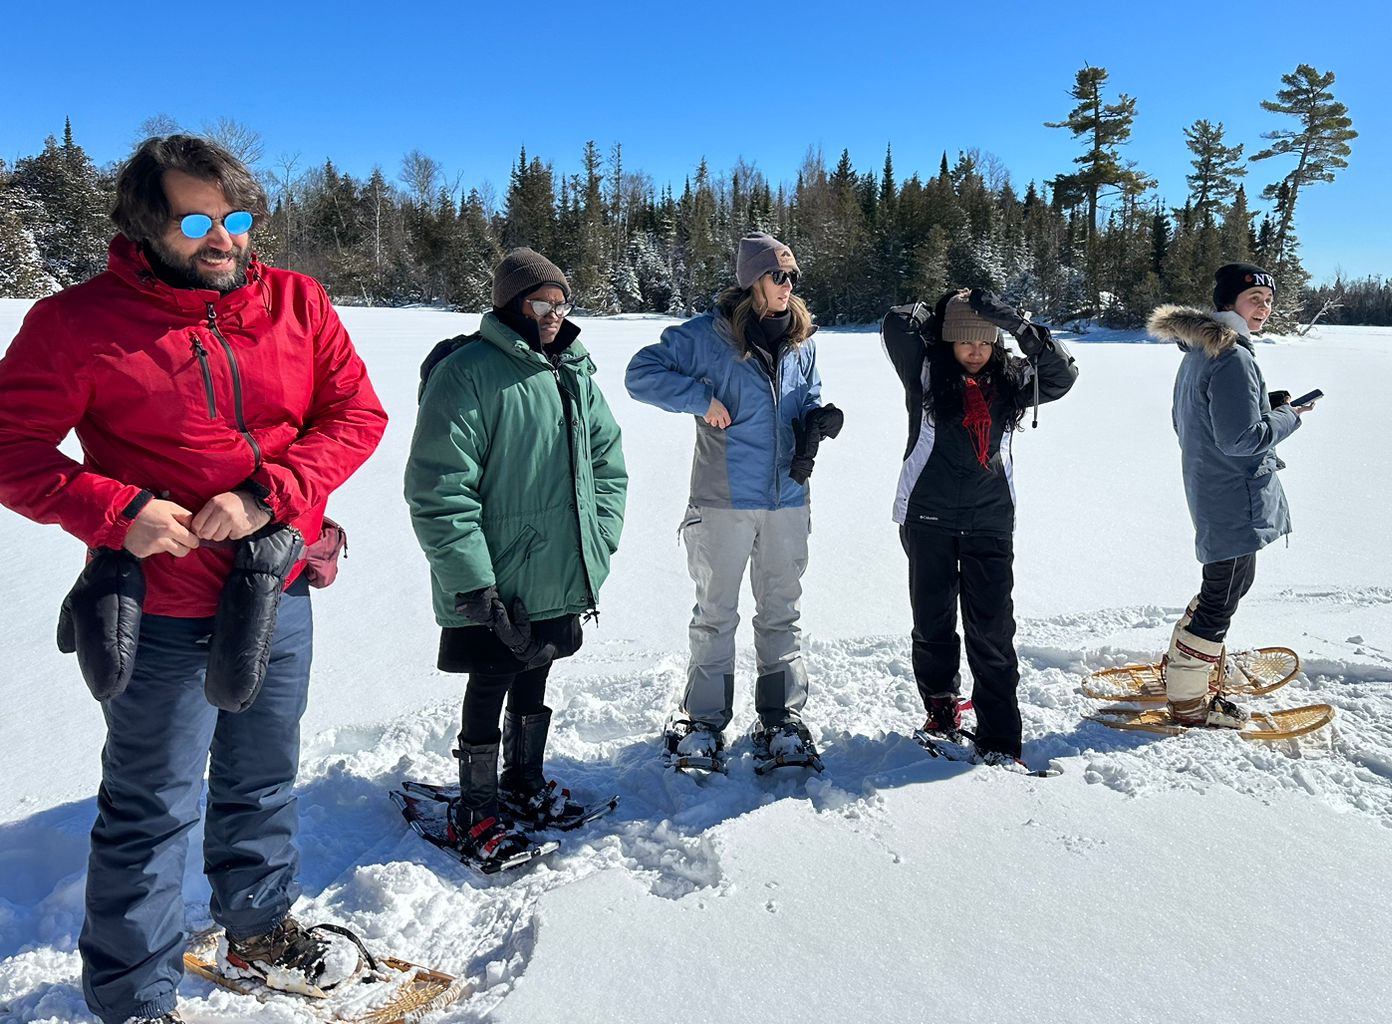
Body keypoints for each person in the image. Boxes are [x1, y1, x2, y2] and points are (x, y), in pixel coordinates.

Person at [0, 134, 388, 1024]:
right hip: (162, 608)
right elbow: (11, 449)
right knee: (151, 806)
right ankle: (134, 997)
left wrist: (269, 495)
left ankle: (255, 929)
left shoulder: (296, 302)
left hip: (272, 583)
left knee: (263, 775)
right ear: (144, 224)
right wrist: (115, 509)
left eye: (237, 218)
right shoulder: (74, 325)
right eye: (197, 220)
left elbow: (356, 414)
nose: (224, 239)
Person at [404, 249, 627, 863]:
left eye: (562, 303)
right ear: (510, 304)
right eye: (540, 303)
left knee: (540, 665)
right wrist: (473, 583)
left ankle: (524, 783)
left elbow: (607, 466)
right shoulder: (470, 371)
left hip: (560, 565)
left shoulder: (575, 369)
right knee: (493, 675)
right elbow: (438, 485)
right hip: (498, 573)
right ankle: (475, 810)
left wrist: (597, 545)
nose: (554, 315)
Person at [625, 233, 840, 767]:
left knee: (780, 613)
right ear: (752, 281)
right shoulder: (706, 337)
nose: (788, 287)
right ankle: (702, 724)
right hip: (721, 501)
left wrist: (817, 423)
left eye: (792, 277)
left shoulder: (802, 343)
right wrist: (700, 398)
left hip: (788, 499)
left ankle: (781, 720)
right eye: (778, 276)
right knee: (716, 614)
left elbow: (806, 397)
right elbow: (640, 374)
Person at [880, 289, 1078, 764]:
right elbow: (895, 320)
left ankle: (1000, 736)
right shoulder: (926, 374)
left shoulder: (1013, 381)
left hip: (990, 520)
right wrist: (946, 308)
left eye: (984, 341)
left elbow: (1064, 374)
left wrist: (1015, 322)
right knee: (932, 623)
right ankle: (942, 708)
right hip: (927, 517)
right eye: (964, 341)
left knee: (992, 631)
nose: (975, 350)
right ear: (948, 342)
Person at [1146, 261, 1315, 728]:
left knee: (1226, 586)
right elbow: (1241, 439)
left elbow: (1195, 419)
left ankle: (1186, 669)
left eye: (1268, 301)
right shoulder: (1232, 356)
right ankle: (1188, 698)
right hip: (1233, 493)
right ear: (1228, 303)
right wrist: (1290, 417)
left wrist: (1265, 405)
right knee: (1223, 593)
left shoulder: (1202, 348)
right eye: (1254, 299)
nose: (1264, 308)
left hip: (1214, 485)